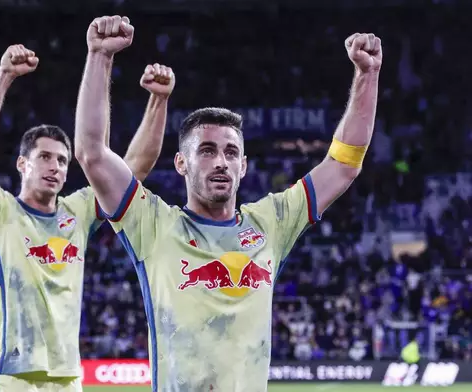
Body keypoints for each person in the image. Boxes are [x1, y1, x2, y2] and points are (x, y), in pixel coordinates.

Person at [74, 15, 382, 392]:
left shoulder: (271, 222)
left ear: (243, 166)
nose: (221, 161)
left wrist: (367, 74)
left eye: (231, 152)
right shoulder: (153, 224)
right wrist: (100, 56)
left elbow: (344, 164)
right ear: (181, 163)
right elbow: (91, 153)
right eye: (207, 150)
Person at [0, 44, 175, 392]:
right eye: (45, 157)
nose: (55, 167)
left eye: (62, 161)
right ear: (21, 163)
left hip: (67, 378)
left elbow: (135, 166)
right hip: (12, 374)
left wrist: (159, 101)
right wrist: (4, 77)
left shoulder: (76, 212)